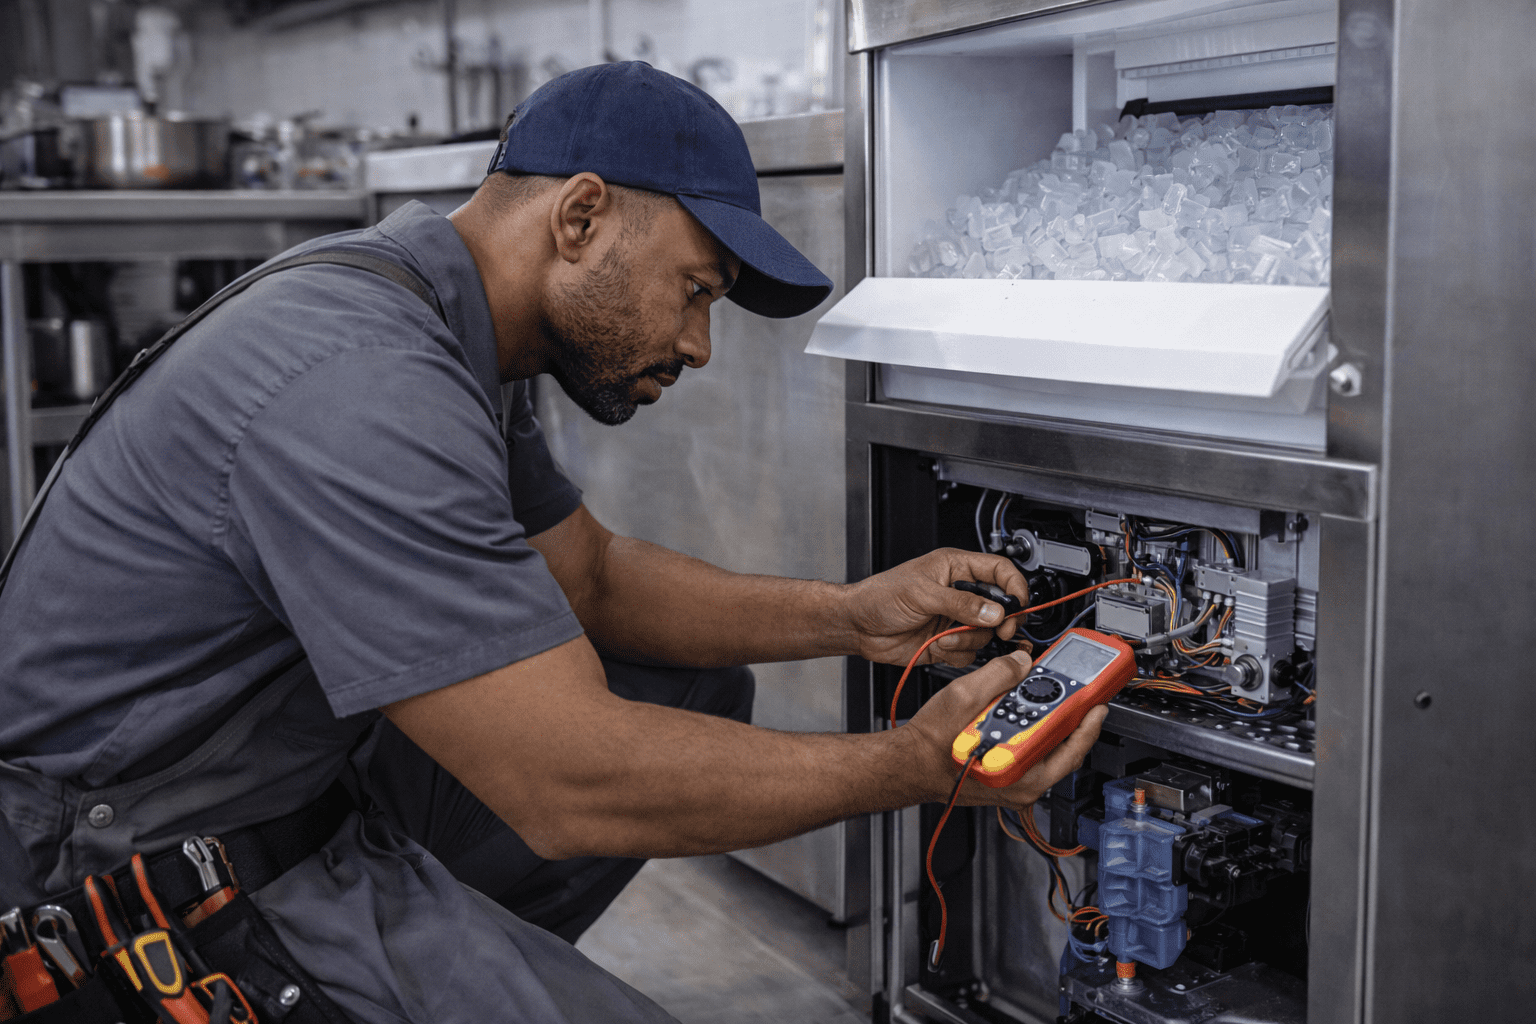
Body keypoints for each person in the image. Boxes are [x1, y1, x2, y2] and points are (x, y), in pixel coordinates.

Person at [0, 63, 1104, 1022]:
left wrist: (848, 615)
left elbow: (593, 578)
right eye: (694, 290)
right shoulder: (359, 381)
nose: (699, 343)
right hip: (125, 879)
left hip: (284, 793)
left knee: (689, 685)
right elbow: (564, 780)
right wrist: (915, 765)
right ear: (578, 219)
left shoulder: (448, 330)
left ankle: (443, 964)